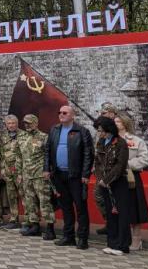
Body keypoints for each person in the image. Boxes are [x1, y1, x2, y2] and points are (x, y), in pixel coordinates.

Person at [43, 105, 93, 250]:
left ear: (73, 115)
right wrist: (46, 169)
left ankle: (82, 238)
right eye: (59, 112)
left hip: (76, 176)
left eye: (64, 113)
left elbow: (88, 154)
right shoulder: (54, 130)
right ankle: (68, 236)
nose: (61, 114)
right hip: (58, 175)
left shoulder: (82, 131)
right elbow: (47, 151)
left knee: (80, 208)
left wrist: (85, 174)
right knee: (65, 207)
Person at [93, 116, 131, 255]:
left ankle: (122, 245)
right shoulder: (101, 142)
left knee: (121, 213)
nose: (100, 133)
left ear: (109, 129)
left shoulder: (120, 143)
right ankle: (112, 243)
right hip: (103, 183)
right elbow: (97, 162)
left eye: (102, 130)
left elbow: (120, 165)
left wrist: (107, 179)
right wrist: (100, 179)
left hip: (117, 182)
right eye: (98, 131)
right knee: (110, 214)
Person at [114, 114, 148, 251]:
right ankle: (122, 237)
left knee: (134, 208)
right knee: (117, 208)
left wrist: (127, 164)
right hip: (114, 177)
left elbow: (145, 159)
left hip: (130, 177)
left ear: (125, 123)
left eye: (118, 121)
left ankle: (137, 239)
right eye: (115, 121)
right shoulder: (111, 140)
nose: (116, 123)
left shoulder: (136, 140)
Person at [17, 114, 55, 240]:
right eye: (25, 123)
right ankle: (35, 226)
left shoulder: (44, 137)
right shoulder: (22, 137)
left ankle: (50, 228)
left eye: (29, 123)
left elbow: (49, 156)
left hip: (39, 175)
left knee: (45, 201)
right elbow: (19, 156)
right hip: (26, 175)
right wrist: (19, 173)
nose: (27, 125)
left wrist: (47, 171)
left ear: (35, 123)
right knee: (30, 202)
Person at [0, 114, 24, 230]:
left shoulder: (23, 136)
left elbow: (26, 155)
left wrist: (22, 172)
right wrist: (3, 169)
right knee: (11, 196)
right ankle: (14, 219)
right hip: (8, 171)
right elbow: (2, 154)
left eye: (13, 123)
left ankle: (29, 220)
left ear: (17, 123)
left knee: (25, 196)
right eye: (8, 123)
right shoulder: (4, 136)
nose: (11, 125)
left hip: (20, 171)